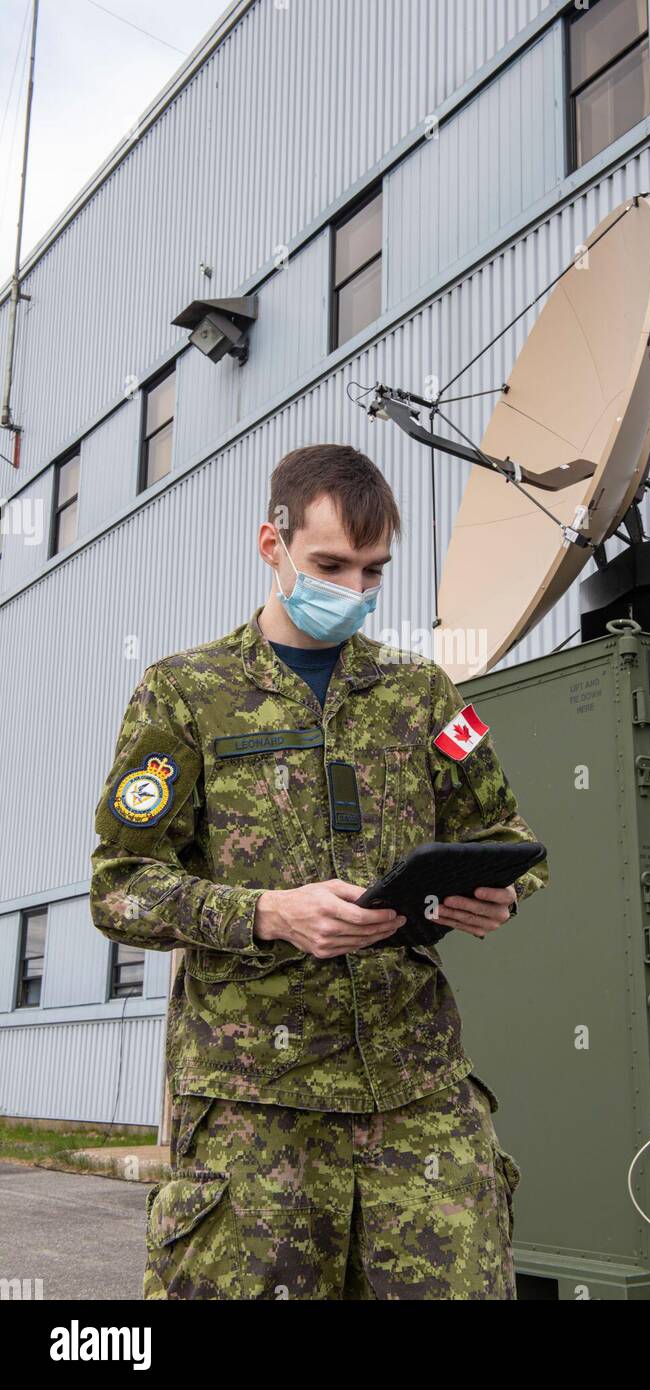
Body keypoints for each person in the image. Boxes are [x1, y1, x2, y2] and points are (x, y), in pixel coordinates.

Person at [90, 443, 549, 1300]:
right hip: (255, 1109)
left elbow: (508, 833)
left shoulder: (423, 694)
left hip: (418, 1098)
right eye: (330, 564)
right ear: (274, 544)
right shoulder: (186, 694)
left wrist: (500, 894)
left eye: (373, 572)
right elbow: (120, 887)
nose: (353, 591)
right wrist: (268, 912)